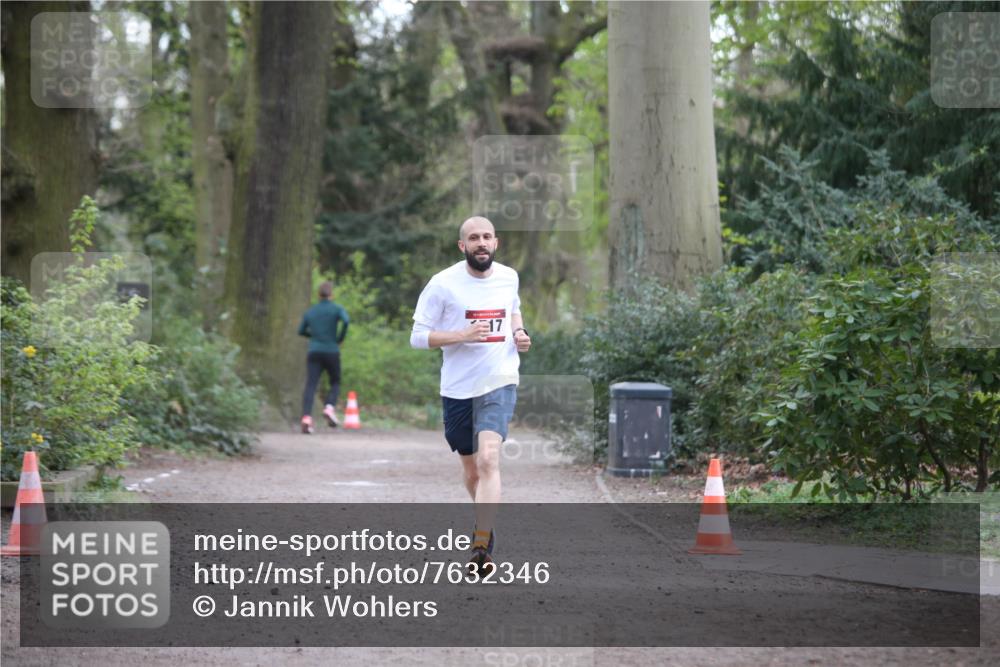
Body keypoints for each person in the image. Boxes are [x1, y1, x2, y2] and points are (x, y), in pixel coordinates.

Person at [410, 216, 531, 572]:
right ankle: (483, 522)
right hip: (458, 388)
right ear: (462, 246)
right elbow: (418, 337)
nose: (481, 243)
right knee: (472, 471)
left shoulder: (508, 277)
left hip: (499, 380)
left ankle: (481, 544)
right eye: (474, 238)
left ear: (496, 243)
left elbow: (513, 310)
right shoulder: (442, 284)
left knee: (488, 460)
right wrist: (461, 335)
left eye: (487, 237)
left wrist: (519, 333)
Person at [298, 281, 350, 434]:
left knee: (311, 384)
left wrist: (313, 336)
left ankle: (306, 418)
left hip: (314, 351)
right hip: (332, 350)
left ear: (318, 295)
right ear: (331, 294)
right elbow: (346, 321)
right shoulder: (336, 309)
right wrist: (339, 338)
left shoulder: (311, 311)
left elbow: (301, 330)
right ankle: (329, 407)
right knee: (335, 381)